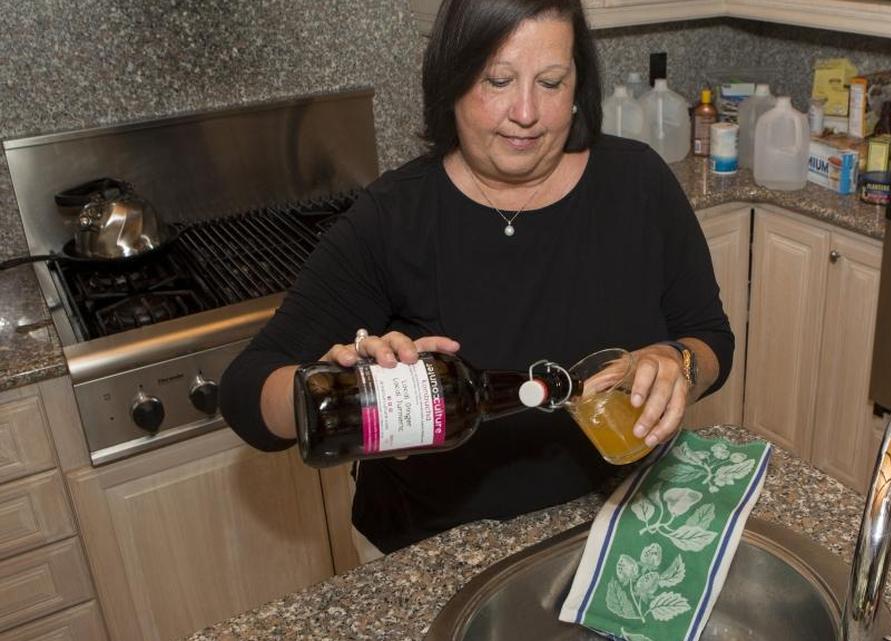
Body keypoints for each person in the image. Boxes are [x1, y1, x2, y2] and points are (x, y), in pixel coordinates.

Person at [220, 0, 733, 555]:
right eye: (498, 80)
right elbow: (246, 393)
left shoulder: (639, 184)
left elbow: (709, 337)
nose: (527, 111)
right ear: (452, 80)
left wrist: (675, 362)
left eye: (552, 82)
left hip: (617, 525)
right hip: (437, 552)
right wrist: (340, 386)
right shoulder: (394, 218)